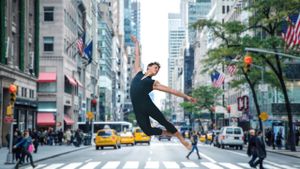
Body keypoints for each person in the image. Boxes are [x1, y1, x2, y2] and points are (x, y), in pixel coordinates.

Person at [130, 35, 196, 150]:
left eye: (158, 70)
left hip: (147, 105)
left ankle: (182, 140)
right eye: (155, 68)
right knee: (148, 131)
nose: (156, 70)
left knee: (164, 121)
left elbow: (171, 90)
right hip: (138, 108)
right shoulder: (138, 72)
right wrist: (136, 43)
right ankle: (171, 133)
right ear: (149, 67)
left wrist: (187, 97)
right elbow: (137, 55)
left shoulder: (153, 83)